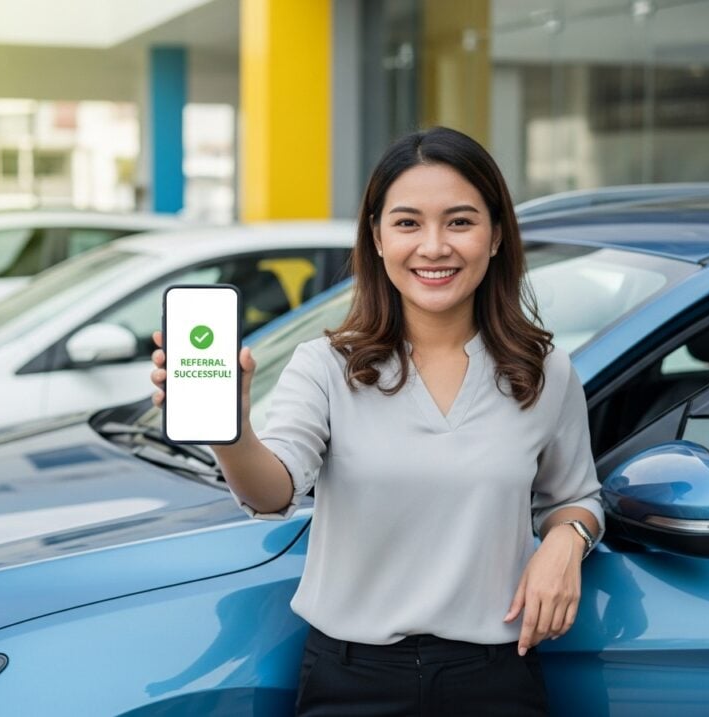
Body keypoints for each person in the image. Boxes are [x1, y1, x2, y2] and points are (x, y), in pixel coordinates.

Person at [150, 126, 604, 716]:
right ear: (378, 237)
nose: (434, 246)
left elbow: (578, 498)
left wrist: (566, 543)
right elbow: (271, 492)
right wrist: (229, 430)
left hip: (496, 681)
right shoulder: (325, 366)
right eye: (408, 222)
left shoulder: (543, 371)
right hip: (351, 683)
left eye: (460, 222)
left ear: (495, 237)